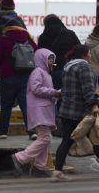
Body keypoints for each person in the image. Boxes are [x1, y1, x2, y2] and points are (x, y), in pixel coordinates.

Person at [51, 45, 99, 182]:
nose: (91, 55)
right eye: (90, 53)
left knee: (66, 141)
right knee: (96, 141)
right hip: (80, 112)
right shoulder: (84, 67)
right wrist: (94, 105)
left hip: (66, 110)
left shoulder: (68, 67)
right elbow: (87, 90)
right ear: (85, 54)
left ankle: (57, 172)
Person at [12, 48, 61, 177]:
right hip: (39, 110)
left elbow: (46, 91)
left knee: (44, 138)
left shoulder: (46, 74)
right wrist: (54, 92)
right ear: (42, 59)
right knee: (46, 138)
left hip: (44, 109)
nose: (52, 61)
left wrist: (56, 94)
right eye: (50, 59)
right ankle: (20, 158)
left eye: (53, 59)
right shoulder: (37, 72)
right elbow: (36, 88)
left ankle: (39, 166)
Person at [0, 19, 37, 139]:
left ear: (7, 28)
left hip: (7, 77)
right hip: (26, 77)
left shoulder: (3, 39)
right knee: (26, 105)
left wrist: (2, 67)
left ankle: (3, 131)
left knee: (6, 105)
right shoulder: (29, 39)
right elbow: (36, 54)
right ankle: (32, 131)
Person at [38, 14, 80, 137]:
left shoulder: (43, 37)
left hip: (53, 72)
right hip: (70, 72)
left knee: (54, 99)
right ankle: (69, 127)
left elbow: (40, 55)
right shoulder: (70, 34)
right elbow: (79, 49)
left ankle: (56, 126)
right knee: (70, 99)